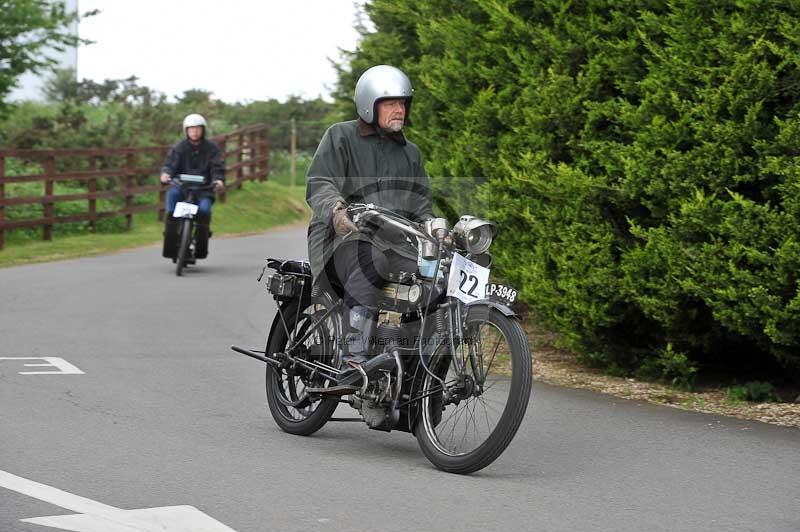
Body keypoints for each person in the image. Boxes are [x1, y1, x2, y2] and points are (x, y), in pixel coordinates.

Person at [305, 65, 434, 368]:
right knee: (370, 261)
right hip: (340, 238)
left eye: (402, 103)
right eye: (390, 103)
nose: (399, 109)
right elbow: (320, 182)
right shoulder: (340, 136)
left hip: (394, 244)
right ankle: (354, 353)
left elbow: (421, 203)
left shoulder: (410, 153)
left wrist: (431, 225)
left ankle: (409, 361)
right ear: (369, 104)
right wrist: (337, 211)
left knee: (431, 279)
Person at [160, 113, 225, 260]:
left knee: (204, 210)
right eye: (191, 129)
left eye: (197, 128)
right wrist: (165, 174)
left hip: (204, 190)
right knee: (171, 206)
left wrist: (218, 180)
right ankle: (171, 242)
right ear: (186, 131)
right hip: (181, 187)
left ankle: (200, 246)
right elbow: (170, 165)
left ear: (203, 130)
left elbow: (217, 167)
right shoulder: (179, 148)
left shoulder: (212, 148)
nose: (194, 132)